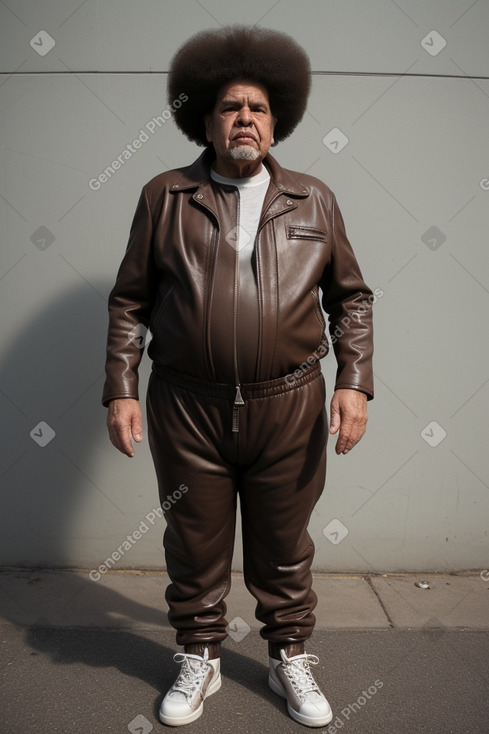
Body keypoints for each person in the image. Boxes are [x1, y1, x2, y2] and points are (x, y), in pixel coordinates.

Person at [103, 25, 374, 729]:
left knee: (284, 544)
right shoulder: (165, 196)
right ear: (206, 120)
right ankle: (201, 655)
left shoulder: (313, 199)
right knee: (193, 542)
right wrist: (120, 389)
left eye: (256, 107)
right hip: (185, 406)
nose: (244, 119)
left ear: (276, 121)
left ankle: (288, 655)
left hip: (287, 404)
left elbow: (351, 297)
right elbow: (130, 299)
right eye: (230, 107)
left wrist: (353, 382)